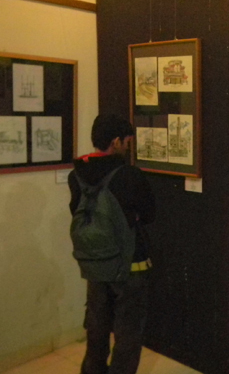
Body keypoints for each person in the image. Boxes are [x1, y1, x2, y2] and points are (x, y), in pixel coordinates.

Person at [69, 114, 156, 374]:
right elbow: (149, 214)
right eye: (127, 141)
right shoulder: (130, 175)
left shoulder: (77, 175)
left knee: (96, 326)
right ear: (116, 141)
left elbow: (77, 211)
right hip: (130, 264)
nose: (128, 147)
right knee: (127, 332)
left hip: (96, 263)